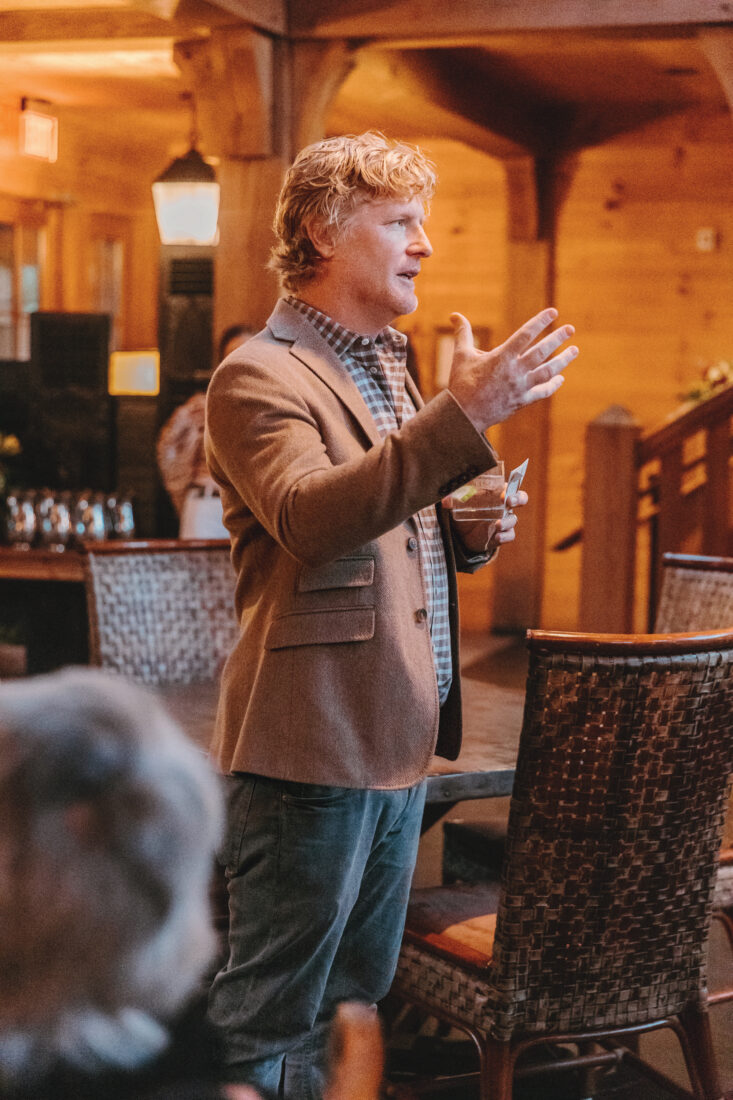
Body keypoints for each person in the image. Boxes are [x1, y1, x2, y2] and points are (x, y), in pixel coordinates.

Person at [204, 130, 578, 1098]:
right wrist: (464, 415)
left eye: (423, 223)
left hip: (397, 737)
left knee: (355, 1003)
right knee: (273, 1012)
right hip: (308, 748)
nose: (422, 244)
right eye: (400, 221)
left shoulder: (389, 366)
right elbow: (310, 517)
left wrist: (468, 523)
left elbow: (384, 520)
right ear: (323, 232)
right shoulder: (259, 372)